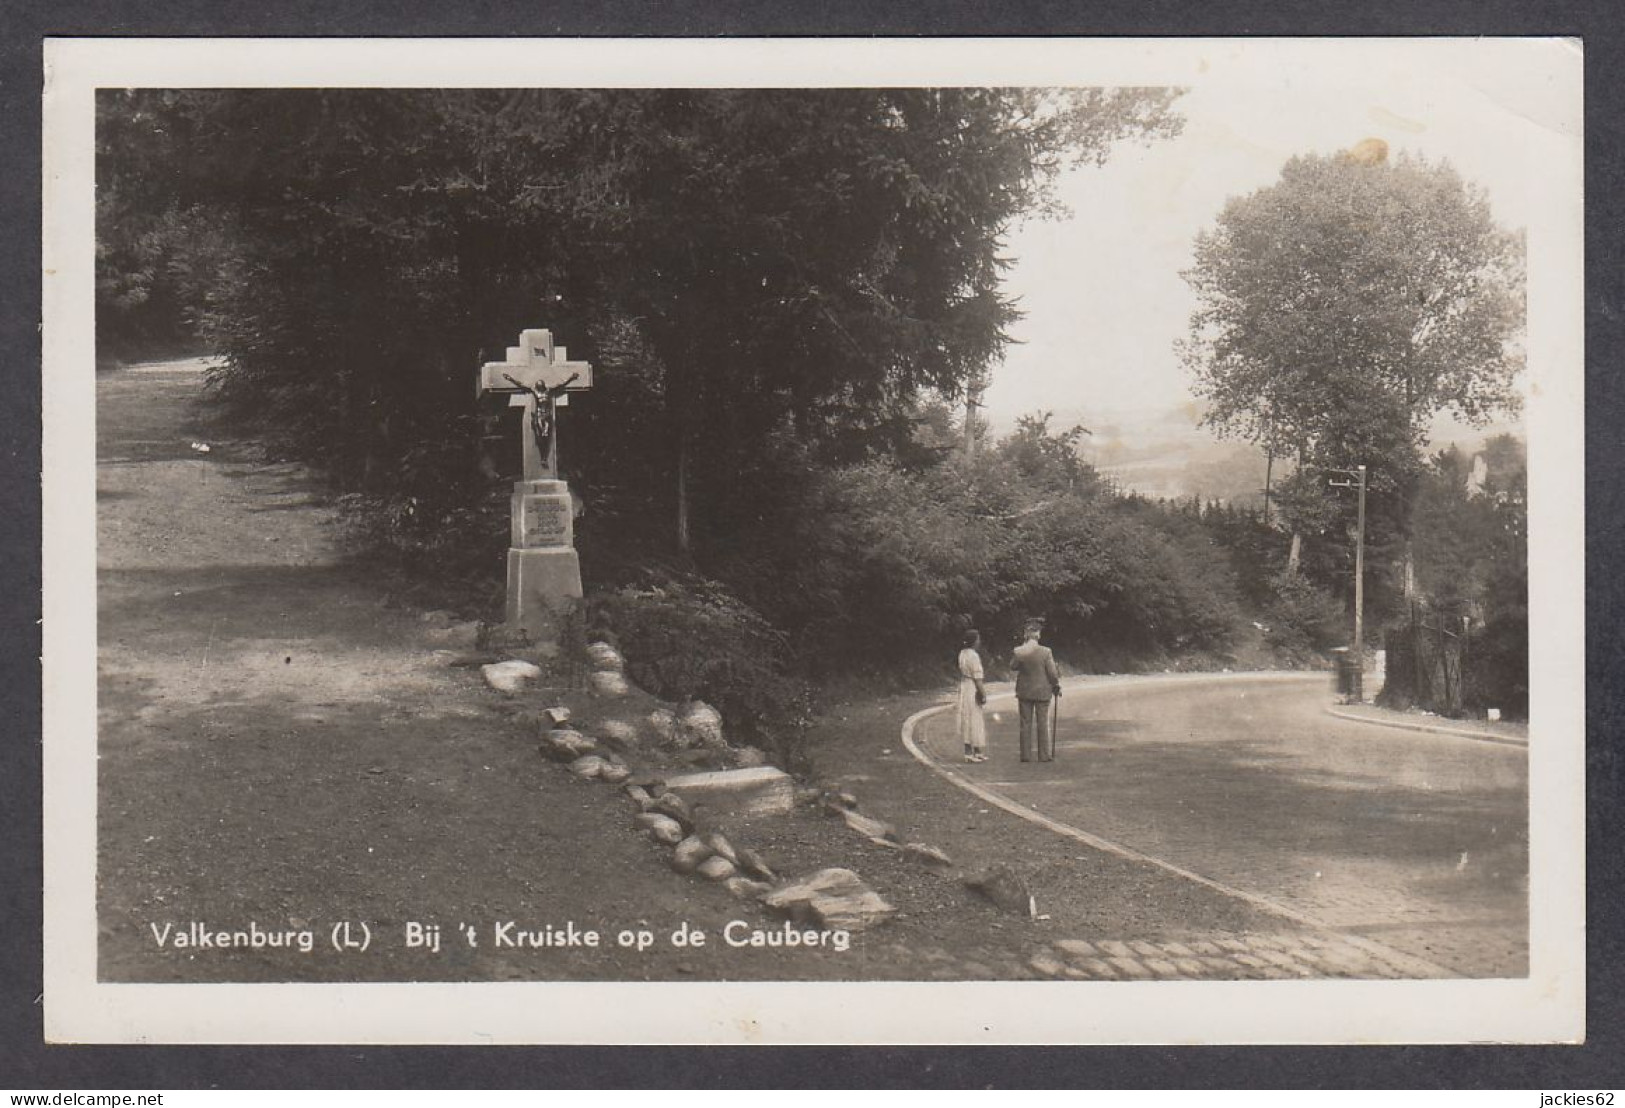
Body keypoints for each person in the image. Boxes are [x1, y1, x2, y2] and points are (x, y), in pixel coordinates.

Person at [1009, 618, 1061, 762]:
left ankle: (1025, 755)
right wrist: (1055, 685)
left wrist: (1021, 648)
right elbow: (1052, 673)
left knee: (1025, 723)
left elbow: (1012, 666)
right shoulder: (1046, 651)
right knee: (1043, 722)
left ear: (1026, 635)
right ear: (1038, 635)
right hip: (1042, 691)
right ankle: (1044, 755)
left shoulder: (1019, 651)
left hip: (1024, 691)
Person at [956, 630, 989, 763]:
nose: (979, 642)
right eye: (978, 639)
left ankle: (974, 751)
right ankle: (971, 753)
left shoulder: (962, 653)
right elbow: (977, 677)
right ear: (974, 641)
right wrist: (983, 693)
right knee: (974, 718)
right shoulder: (974, 656)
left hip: (964, 686)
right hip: (972, 687)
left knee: (967, 718)